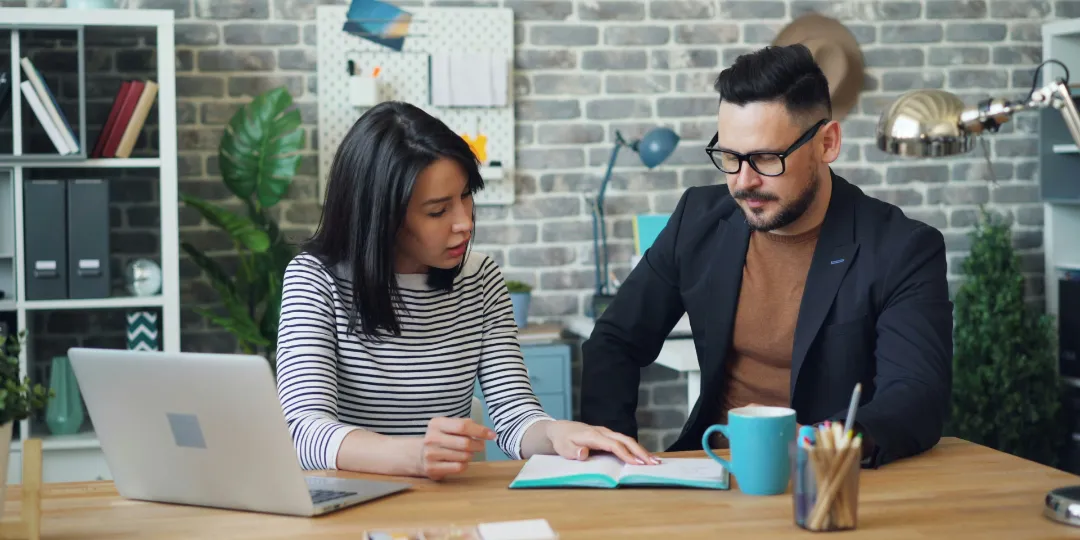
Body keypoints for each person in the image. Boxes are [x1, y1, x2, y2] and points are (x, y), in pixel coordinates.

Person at [579, 44, 953, 469]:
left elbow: (916, 396)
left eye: (765, 158)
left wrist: (821, 442)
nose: (743, 182)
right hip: (709, 467)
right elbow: (615, 340)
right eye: (730, 157)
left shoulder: (901, 249)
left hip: (825, 480)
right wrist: (613, 455)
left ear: (827, 143)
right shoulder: (698, 219)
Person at [275, 101, 658, 481]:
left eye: (466, 196)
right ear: (382, 217)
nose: (464, 224)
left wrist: (555, 432)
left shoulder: (480, 279)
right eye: (438, 211)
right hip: (345, 506)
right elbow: (302, 430)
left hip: (448, 511)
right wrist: (411, 456)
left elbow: (514, 415)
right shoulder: (314, 279)